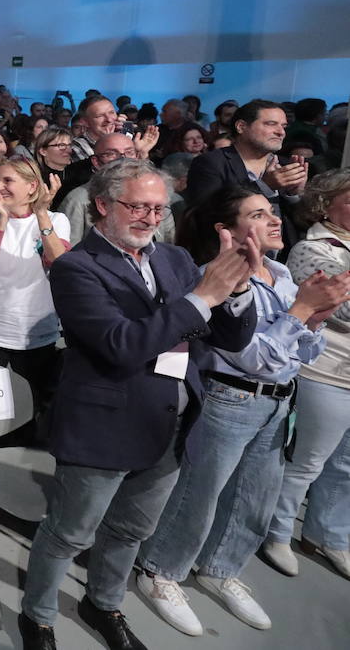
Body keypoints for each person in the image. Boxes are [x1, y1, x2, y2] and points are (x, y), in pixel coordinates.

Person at [18, 159, 258, 650]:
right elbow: (119, 343)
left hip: (170, 421)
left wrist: (235, 289)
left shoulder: (174, 260)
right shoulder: (75, 267)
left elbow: (230, 336)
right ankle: (38, 615)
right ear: (102, 205)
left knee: (130, 531)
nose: (151, 217)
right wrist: (201, 298)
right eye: (138, 206)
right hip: (101, 427)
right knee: (69, 533)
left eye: (159, 207)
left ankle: (103, 603)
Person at [136, 184, 346, 636]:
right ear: (226, 231)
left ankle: (219, 566)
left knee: (255, 493)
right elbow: (250, 355)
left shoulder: (280, 274)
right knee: (201, 493)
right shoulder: (217, 278)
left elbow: (302, 354)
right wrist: (302, 313)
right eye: (257, 214)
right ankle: (161, 571)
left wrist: (314, 317)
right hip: (230, 398)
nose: (274, 220)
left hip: (277, 400)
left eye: (272, 211)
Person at [265, 167, 350, 580]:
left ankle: (330, 536)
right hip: (327, 370)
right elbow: (342, 310)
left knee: (347, 464)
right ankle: (277, 533)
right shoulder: (313, 248)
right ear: (325, 204)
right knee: (308, 461)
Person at [0, 159, 69, 437]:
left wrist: (42, 214)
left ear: (32, 185)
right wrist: (0, 218)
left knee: (28, 411)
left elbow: (60, 264)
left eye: (7, 181)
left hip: (35, 333)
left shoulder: (57, 220)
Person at [186, 100, 308, 243]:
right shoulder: (211, 163)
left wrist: (293, 194)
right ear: (241, 127)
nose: (281, 132)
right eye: (271, 124)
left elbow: (304, 224)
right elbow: (205, 215)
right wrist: (264, 187)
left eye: (283, 126)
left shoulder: (287, 165)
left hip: (280, 258)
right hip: (231, 255)